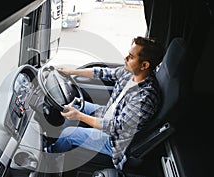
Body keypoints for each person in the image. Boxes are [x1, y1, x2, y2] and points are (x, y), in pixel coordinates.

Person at [47, 36, 165, 170]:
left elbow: (115, 128)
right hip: (108, 114)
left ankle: (50, 158)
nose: (125, 58)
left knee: (69, 133)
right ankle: (60, 144)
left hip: (115, 141)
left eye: (131, 57)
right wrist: (71, 71)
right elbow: (103, 73)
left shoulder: (144, 98)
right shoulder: (130, 74)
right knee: (74, 105)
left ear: (144, 65)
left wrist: (79, 116)